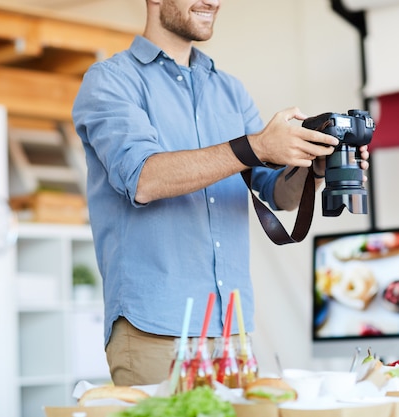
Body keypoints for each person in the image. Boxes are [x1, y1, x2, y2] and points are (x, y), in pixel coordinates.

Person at [72, 0, 370, 386]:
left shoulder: (230, 90)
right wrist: (256, 146)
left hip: (233, 329)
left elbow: (277, 192)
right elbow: (143, 178)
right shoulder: (111, 80)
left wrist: (312, 166)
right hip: (156, 329)